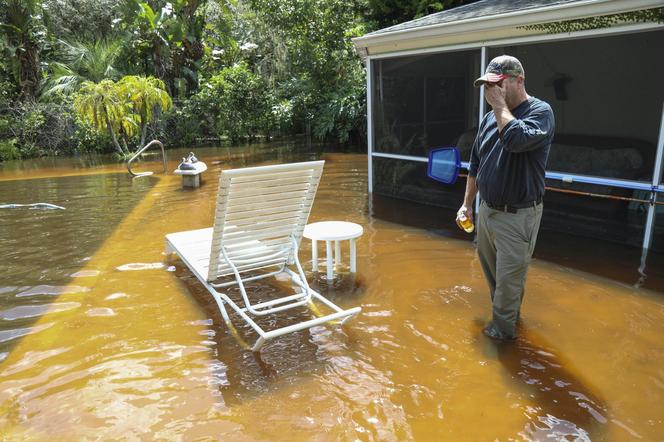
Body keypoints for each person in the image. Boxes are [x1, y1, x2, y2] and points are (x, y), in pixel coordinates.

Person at [457, 55, 555, 341]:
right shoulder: (489, 118)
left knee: (509, 283)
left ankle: (501, 341)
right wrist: (467, 204)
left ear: (518, 80)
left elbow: (515, 140)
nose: (491, 91)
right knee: (495, 280)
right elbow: (476, 163)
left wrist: (500, 106)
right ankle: (509, 319)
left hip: (518, 216)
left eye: (497, 84)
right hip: (488, 212)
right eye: (488, 85)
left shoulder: (541, 112)